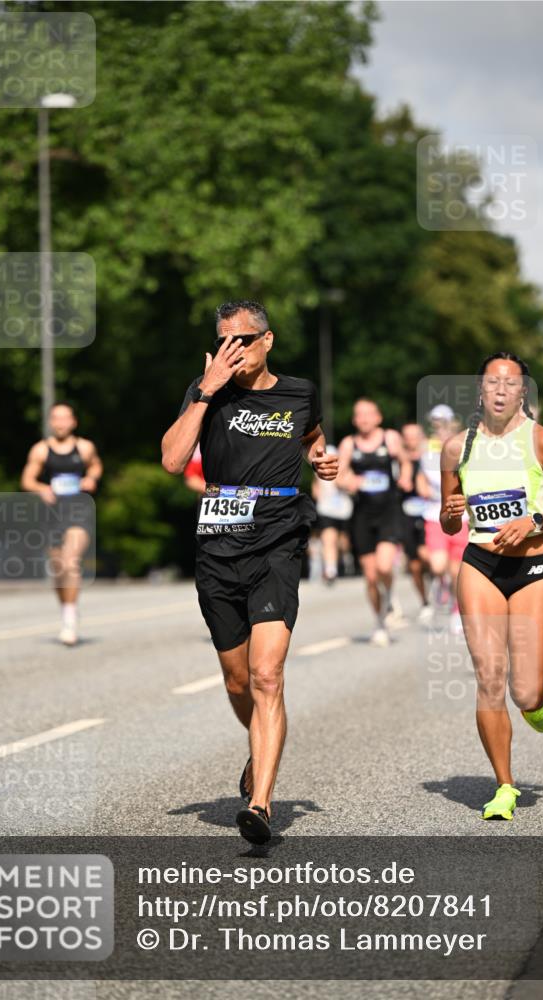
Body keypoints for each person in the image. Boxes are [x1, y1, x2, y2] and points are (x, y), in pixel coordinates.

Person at [161, 300, 337, 845]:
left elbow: (311, 439)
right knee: (238, 679)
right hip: (218, 544)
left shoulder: (301, 392)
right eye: (223, 342)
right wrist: (206, 390)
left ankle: (260, 805)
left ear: (268, 341)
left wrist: (320, 459)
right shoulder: (207, 389)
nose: (232, 351)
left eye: (242, 341)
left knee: (266, 675)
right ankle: (257, 744)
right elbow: (171, 460)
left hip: (278, 539)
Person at [440, 353, 543, 821]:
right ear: (480, 390)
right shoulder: (455, 449)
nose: (500, 390)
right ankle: (504, 785)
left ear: (523, 391)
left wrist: (535, 520)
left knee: (525, 692)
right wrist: (449, 514)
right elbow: (449, 521)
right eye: (491, 382)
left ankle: (536, 703)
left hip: (532, 567)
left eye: (510, 383)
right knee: (488, 681)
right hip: (479, 564)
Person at [21, 403, 102, 645]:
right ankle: (68, 609)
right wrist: (41, 489)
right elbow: (27, 480)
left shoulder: (85, 447)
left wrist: (91, 478)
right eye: (56, 418)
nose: (61, 423)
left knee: (70, 561)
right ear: (50, 422)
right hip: (53, 515)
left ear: (73, 422)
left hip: (79, 512)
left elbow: (96, 466)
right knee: (59, 570)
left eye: (65, 418)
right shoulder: (40, 450)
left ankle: (69, 620)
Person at [338, 399, 412, 646]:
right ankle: (379, 622)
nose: (364, 419)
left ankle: (389, 597)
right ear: (354, 420)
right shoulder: (349, 444)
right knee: (370, 577)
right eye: (359, 415)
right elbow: (339, 475)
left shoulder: (390, 438)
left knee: (383, 567)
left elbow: (406, 462)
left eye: (368, 414)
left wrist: (406, 478)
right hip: (362, 515)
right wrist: (348, 482)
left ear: (378, 417)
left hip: (388, 511)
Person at [417, 404, 468, 632]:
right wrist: (421, 489)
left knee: (457, 570)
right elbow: (420, 475)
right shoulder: (426, 448)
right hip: (433, 514)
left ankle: (457, 611)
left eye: (443, 421)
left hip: (461, 515)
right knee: (438, 566)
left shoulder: (462, 447)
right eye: (435, 421)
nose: (439, 426)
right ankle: (442, 586)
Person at [399, 423, 430, 619]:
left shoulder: (432, 459)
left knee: (428, 556)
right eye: (407, 436)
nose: (411, 440)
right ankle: (425, 600)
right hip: (406, 514)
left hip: (429, 514)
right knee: (414, 565)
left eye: (415, 436)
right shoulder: (398, 460)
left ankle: (441, 584)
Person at [310, 444, 353, 584]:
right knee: (329, 538)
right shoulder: (317, 471)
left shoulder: (346, 469)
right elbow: (315, 491)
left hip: (343, 510)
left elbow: (351, 487)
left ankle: (345, 558)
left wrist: (341, 479)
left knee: (342, 541)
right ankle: (330, 570)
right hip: (326, 509)